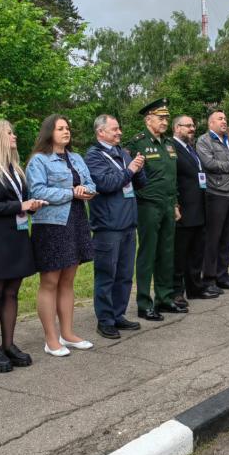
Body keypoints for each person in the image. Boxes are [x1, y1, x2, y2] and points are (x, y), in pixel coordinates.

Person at [0, 120, 46, 373]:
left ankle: (9, 345)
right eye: (9, 133)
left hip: (17, 235)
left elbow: (21, 200)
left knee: (12, 291)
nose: (14, 136)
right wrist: (20, 206)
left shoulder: (15, 168)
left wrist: (31, 204)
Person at [26, 115, 96, 356]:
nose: (66, 132)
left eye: (68, 128)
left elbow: (91, 184)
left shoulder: (76, 158)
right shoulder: (39, 160)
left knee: (68, 280)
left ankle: (67, 333)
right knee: (50, 281)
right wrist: (71, 192)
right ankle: (51, 339)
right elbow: (38, 191)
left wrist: (85, 190)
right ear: (49, 132)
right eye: (60, 128)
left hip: (76, 221)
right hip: (52, 225)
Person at [84, 114, 147, 339]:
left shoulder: (122, 152)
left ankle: (118, 314)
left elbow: (141, 183)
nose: (119, 132)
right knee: (106, 275)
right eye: (114, 129)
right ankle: (105, 320)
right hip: (108, 226)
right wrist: (130, 170)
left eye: (119, 128)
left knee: (125, 275)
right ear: (100, 132)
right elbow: (106, 184)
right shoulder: (93, 156)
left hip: (128, 223)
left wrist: (139, 167)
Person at [126, 98, 183, 320]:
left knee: (166, 253)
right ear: (148, 119)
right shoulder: (137, 143)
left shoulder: (169, 144)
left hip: (168, 205)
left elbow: (172, 177)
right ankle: (144, 303)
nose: (165, 122)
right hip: (148, 206)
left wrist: (175, 204)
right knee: (148, 254)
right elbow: (130, 176)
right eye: (161, 118)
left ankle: (164, 298)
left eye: (167, 118)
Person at [172, 115, 218, 302]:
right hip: (183, 209)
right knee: (180, 254)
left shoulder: (190, 148)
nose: (192, 128)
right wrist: (175, 204)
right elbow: (172, 178)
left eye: (193, 125)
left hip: (199, 208)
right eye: (187, 126)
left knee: (196, 252)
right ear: (177, 128)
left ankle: (195, 288)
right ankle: (177, 292)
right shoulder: (171, 148)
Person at [196, 110, 229, 293]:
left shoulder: (228, 141)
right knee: (213, 239)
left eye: (225, 118)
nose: (224, 121)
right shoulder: (204, 141)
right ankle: (209, 278)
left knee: (228, 238)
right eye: (220, 119)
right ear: (210, 123)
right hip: (216, 194)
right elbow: (210, 164)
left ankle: (223, 275)